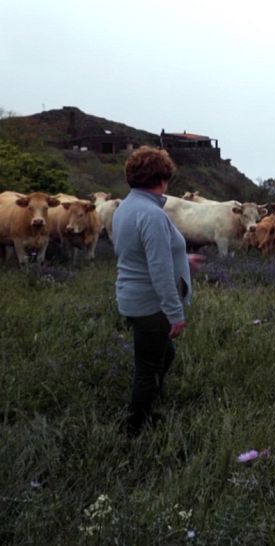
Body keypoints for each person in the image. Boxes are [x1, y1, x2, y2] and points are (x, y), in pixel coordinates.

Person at [112, 146, 203, 437]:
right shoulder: (151, 214)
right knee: (147, 368)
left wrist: (183, 260)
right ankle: (134, 430)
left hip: (131, 296)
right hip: (151, 304)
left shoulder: (127, 207)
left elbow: (138, 252)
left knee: (164, 356)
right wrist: (174, 314)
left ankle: (150, 404)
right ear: (163, 178)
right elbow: (159, 270)